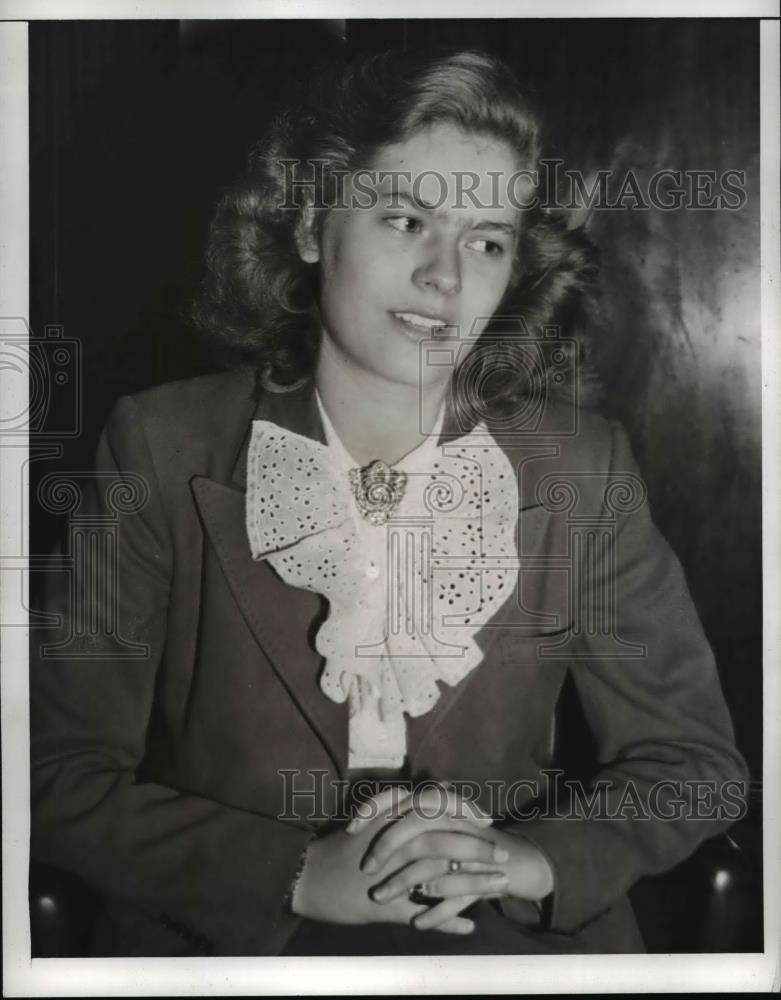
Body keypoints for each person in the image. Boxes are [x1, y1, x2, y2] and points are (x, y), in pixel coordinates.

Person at [30, 46, 748, 957]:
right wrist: (293, 874)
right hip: (233, 947)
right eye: (405, 220)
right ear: (310, 225)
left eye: (486, 241)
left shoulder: (579, 467)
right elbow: (51, 772)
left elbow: (693, 766)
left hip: (504, 946)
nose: (445, 276)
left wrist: (527, 862)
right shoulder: (160, 446)